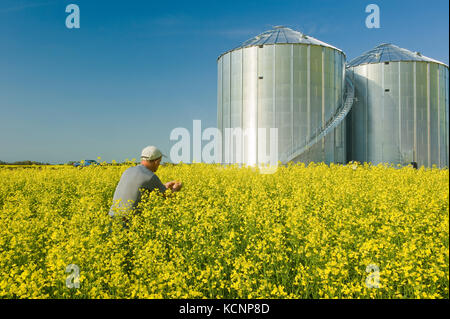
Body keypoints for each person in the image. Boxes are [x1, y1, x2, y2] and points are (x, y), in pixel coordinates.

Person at [109, 146, 182, 221]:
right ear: (156, 162)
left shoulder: (128, 170)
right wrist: (176, 188)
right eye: (159, 162)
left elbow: (141, 186)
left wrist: (165, 186)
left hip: (112, 218)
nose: (159, 165)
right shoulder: (150, 176)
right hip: (128, 221)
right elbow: (168, 196)